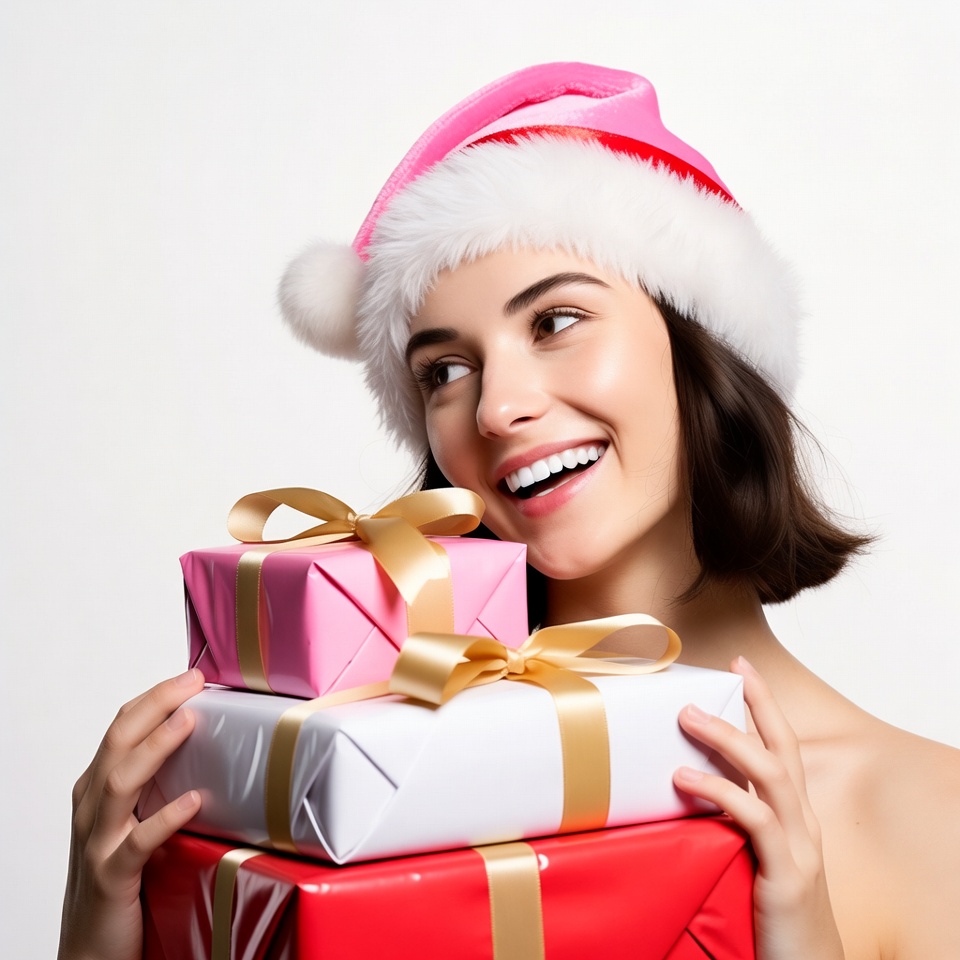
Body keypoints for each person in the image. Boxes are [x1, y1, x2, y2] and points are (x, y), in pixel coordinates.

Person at [59, 62, 960, 960]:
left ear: (705, 346)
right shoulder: (349, 771)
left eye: (556, 321)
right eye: (443, 372)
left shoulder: (929, 818)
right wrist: (100, 926)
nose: (495, 409)